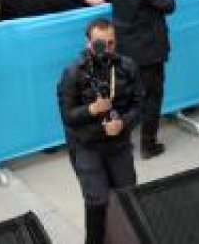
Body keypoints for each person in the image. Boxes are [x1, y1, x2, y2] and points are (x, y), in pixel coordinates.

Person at [58, 19, 142, 244]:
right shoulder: (73, 73)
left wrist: (122, 123)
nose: (106, 48)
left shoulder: (127, 66)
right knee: (97, 203)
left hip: (119, 143)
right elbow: (67, 116)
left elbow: (139, 105)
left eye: (111, 43)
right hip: (87, 146)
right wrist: (91, 109)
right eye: (99, 44)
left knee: (128, 195)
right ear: (88, 43)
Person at [110, 0, 175, 160]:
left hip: (127, 47)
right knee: (151, 97)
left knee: (128, 96)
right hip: (148, 50)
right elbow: (168, 4)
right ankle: (148, 144)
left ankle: (119, 141)